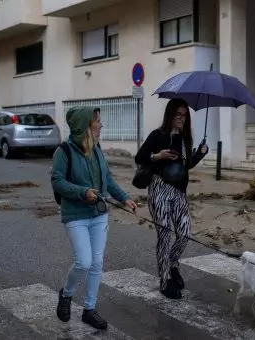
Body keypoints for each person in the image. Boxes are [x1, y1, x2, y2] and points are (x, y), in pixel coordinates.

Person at [51, 106, 138, 329]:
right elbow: (57, 182)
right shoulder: (64, 151)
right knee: (84, 261)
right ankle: (67, 294)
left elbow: (107, 179)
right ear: (85, 127)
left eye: (99, 121)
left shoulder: (96, 149)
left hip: (99, 213)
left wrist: (124, 197)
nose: (101, 125)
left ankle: (90, 309)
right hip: (76, 215)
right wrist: (83, 192)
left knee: (97, 263)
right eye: (97, 121)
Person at [134, 98, 208, 299]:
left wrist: (200, 154)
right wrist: (158, 156)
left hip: (178, 191)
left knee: (184, 232)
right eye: (178, 114)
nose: (182, 119)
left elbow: (185, 165)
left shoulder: (184, 139)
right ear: (170, 115)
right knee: (165, 235)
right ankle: (165, 279)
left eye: (184, 115)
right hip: (159, 188)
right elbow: (139, 157)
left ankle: (173, 263)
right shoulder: (158, 135)